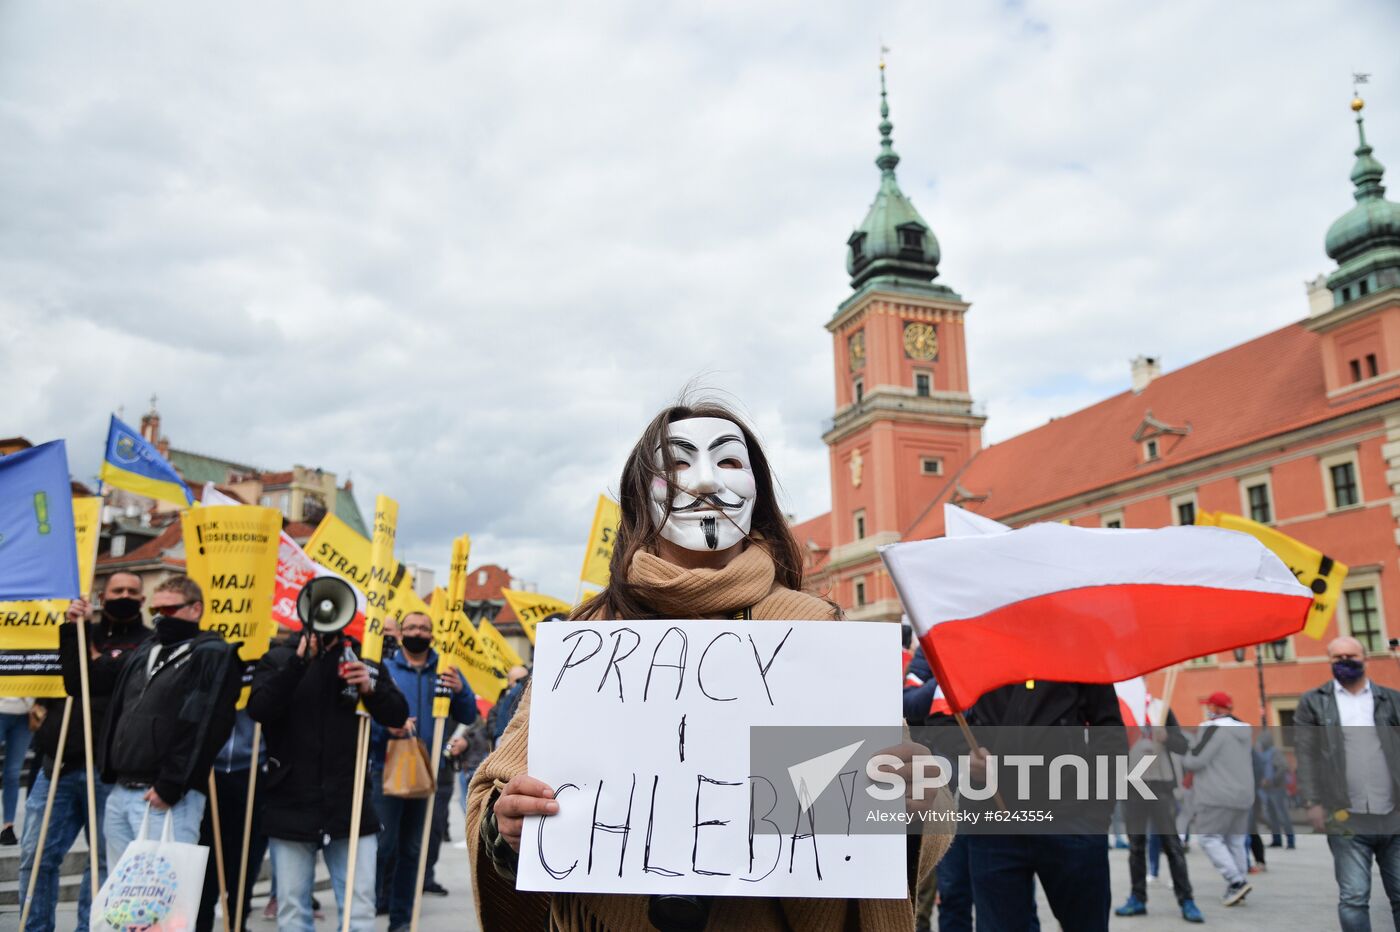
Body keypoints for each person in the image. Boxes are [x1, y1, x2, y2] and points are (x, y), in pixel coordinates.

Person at [467, 400, 951, 930]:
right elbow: (501, 789)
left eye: (726, 462)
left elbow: (888, 816)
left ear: (757, 492)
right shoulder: (592, 635)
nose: (700, 483)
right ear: (638, 495)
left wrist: (911, 802)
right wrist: (507, 825)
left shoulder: (815, 632)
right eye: (675, 464)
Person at [248, 614, 408, 932]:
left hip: (350, 805)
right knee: (292, 909)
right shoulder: (278, 657)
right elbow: (260, 709)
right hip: (290, 802)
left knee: (359, 909)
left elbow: (398, 714)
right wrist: (297, 663)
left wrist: (370, 687)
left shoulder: (362, 658)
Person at [19, 571, 150, 932]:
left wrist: (90, 651)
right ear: (102, 596)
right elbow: (71, 682)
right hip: (58, 765)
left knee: (104, 863)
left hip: (109, 772)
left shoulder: (149, 643)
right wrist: (74, 630)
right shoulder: (78, 631)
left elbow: (104, 680)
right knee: (36, 858)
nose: (124, 595)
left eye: (132, 591)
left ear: (142, 600)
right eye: (117, 590)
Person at [99, 574, 243, 865]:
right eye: (155, 611)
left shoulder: (211, 654)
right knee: (119, 895)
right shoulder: (145, 650)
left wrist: (171, 785)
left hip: (164, 796)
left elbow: (205, 726)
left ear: (195, 609)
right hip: (122, 790)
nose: (161, 618)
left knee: (162, 895)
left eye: (169, 610)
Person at [962, 679, 1126, 932]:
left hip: (1070, 820)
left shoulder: (1077, 647)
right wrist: (965, 755)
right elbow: (942, 717)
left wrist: (1095, 814)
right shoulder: (969, 645)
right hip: (993, 820)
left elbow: (1109, 731)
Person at [371, 610, 476, 931]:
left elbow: (469, 714)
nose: (418, 632)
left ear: (432, 635)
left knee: (413, 850)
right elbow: (368, 719)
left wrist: (460, 690)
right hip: (387, 769)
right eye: (411, 627)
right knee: (383, 845)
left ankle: (402, 921)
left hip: (426, 773)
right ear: (401, 634)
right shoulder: (385, 671)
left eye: (423, 628)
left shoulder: (444, 671)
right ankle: (373, 902)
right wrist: (390, 728)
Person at [1295, 635, 1400, 931]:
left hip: (1393, 813)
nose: (1344, 662)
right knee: (1354, 897)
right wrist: (1313, 802)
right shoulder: (1314, 703)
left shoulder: (1391, 700)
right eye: (1337, 658)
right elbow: (1306, 755)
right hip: (1345, 817)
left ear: (1365, 659)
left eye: (1350, 656)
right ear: (1329, 663)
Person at [1114, 705, 1203, 922]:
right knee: (1136, 845)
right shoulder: (1121, 707)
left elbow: (1182, 746)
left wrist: (1167, 738)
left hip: (1160, 784)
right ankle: (1138, 898)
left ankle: (1186, 900)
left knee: (1172, 844)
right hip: (1132, 784)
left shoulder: (1159, 709)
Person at [195, 709, 268, 932]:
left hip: (253, 768)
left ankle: (238, 923)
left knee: (246, 860)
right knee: (205, 866)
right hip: (209, 770)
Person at [1182, 691, 1254, 907]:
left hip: (1217, 794)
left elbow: (1195, 760)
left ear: (1214, 708)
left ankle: (1236, 881)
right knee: (1236, 840)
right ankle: (1239, 883)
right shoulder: (1244, 730)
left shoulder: (1212, 728)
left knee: (1208, 838)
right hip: (1243, 795)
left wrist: (1185, 750)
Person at [0, 693, 35, 845]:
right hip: (6, 708)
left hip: (25, 712)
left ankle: (9, 826)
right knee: (12, 773)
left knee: (13, 773)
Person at [1257, 730, 1294, 849]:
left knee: (1282, 815)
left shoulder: (1275, 753)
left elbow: (1282, 767)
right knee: (1272, 815)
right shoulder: (1263, 754)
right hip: (1266, 789)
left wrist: (1272, 780)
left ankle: (1290, 840)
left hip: (1277, 788)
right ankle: (1276, 840)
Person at [489, 665, 529, 746]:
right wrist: (499, 735)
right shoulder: (503, 700)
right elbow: (491, 719)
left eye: (521, 681)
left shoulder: (530, 697)